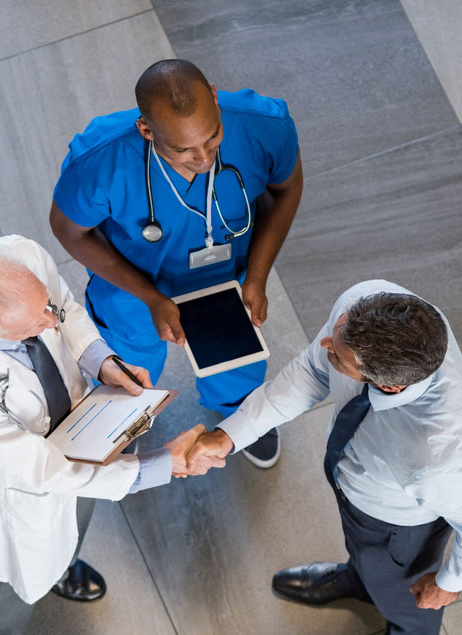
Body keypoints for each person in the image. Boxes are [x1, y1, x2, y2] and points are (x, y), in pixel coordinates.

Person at [186, 279, 462, 635]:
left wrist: (448, 583)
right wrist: (229, 436)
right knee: (365, 557)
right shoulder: (366, 303)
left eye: (339, 356)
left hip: (399, 526)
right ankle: (360, 579)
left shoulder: (445, 457)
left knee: (407, 599)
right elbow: (311, 371)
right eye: (337, 332)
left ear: (388, 386)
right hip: (355, 486)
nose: (324, 344)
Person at [0, 234, 204, 635]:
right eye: (34, 324)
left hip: (77, 430)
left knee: (75, 515)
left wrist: (103, 362)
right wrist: (157, 466)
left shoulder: (20, 258)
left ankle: (61, 565)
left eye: (42, 307)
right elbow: (47, 471)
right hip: (15, 486)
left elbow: (65, 307)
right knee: (8, 575)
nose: (49, 322)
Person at [50, 58, 303, 469]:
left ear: (216, 100)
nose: (203, 158)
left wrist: (257, 276)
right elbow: (68, 230)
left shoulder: (265, 125)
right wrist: (150, 297)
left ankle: (239, 414)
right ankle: (125, 419)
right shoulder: (99, 163)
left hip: (227, 276)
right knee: (128, 365)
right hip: (134, 288)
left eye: (213, 137)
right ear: (146, 130)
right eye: (182, 149)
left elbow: (287, 188)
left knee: (237, 356)